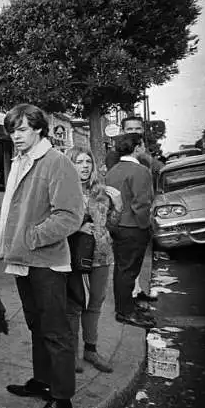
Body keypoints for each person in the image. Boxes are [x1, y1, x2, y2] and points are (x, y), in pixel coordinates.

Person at [0, 104, 84, 408]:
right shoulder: (21, 161)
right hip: (23, 260)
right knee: (37, 325)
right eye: (11, 130)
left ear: (38, 129)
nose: (15, 136)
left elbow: (70, 215)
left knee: (56, 332)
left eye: (21, 129)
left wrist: (31, 237)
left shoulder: (56, 162)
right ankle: (42, 381)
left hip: (45, 261)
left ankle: (62, 400)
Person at [66, 147, 122, 374]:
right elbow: (53, 220)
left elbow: (113, 225)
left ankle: (91, 349)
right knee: (74, 306)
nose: (85, 166)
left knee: (96, 303)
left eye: (88, 161)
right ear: (71, 165)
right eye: (79, 162)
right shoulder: (64, 190)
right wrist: (77, 227)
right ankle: (73, 354)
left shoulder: (102, 191)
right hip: (75, 255)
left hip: (102, 255)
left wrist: (119, 206)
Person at [105, 133, 156, 329]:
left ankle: (125, 306)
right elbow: (141, 204)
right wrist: (146, 226)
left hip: (118, 225)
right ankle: (125, 311)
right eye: (142, 144)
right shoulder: (141, 171)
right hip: (134, 227)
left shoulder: (113, 170)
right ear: (136, 147)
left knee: (122, 269)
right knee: (129, 270)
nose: (144, 147)